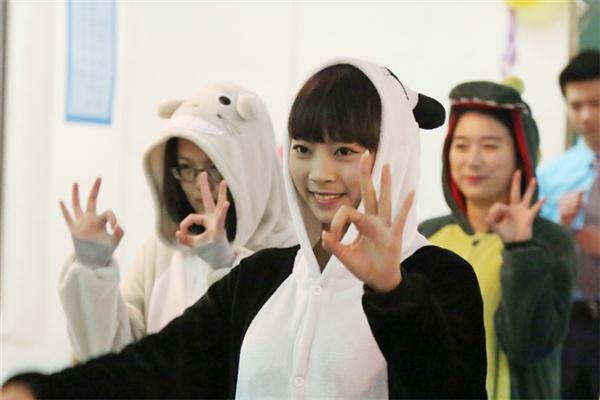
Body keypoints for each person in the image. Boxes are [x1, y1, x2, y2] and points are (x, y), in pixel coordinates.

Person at [2, 59, 486, 399]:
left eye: (344, 151)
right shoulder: (261, 278)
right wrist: (41, 391)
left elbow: (448, 388)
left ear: (391, 153)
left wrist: (393, 294)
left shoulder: (439, 276)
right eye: (303, 149)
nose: (319, 174)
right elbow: (156, 366)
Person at [57, 81, 297, 361]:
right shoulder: (165, 248)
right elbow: (116, 357)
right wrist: (92, 272)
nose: (199, 184)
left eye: (214, 167)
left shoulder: (293, 255)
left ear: (252, 166)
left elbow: (264, 363)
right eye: (185, 167)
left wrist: (225, 266)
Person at [419, 80, 576, 400]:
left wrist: (519, 250)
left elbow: (528, 346)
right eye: (461, 146)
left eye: (490, 146)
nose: (472, 160)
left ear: (520, 153)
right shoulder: (428, 235)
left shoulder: (549, 242)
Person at [537, 49, 600, 400]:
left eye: (597, 103)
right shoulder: (551, 176)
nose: (587, 115)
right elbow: (532, 251)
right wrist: (557, 227)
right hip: (568, 322)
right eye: (577, 105)